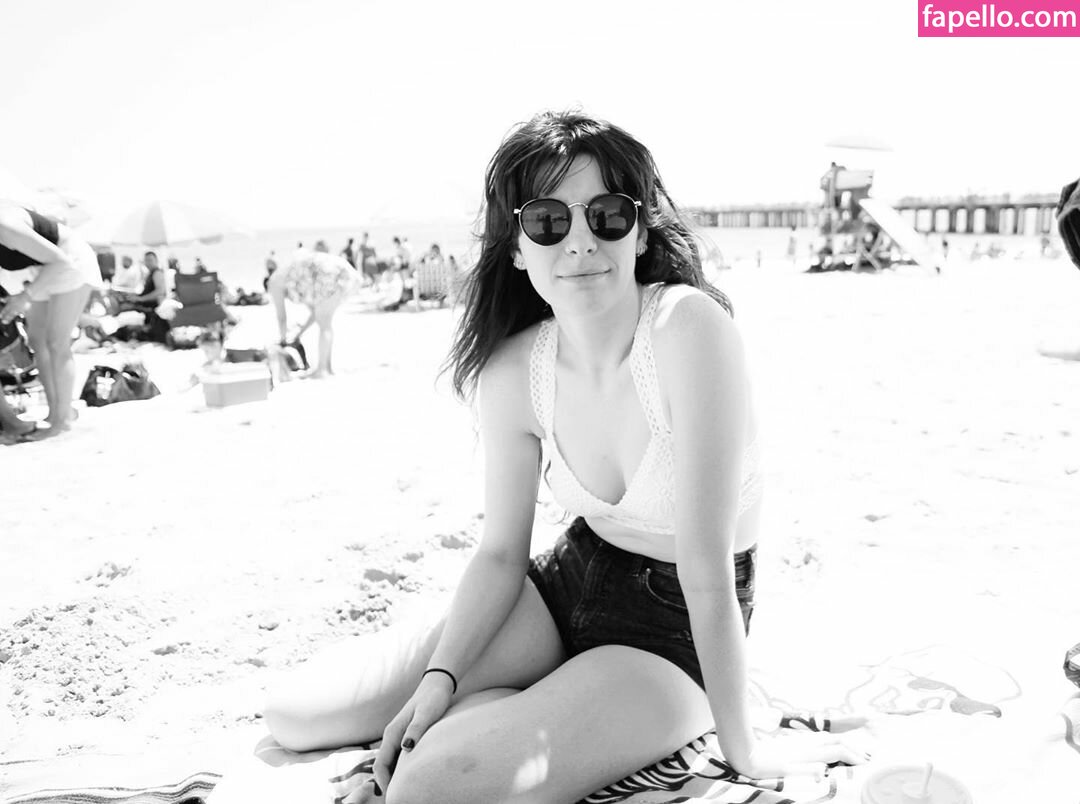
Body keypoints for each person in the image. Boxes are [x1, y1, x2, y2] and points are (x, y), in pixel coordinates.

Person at [262, 111, 866, 801]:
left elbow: (706, 569)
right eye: (549, 220)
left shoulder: (688, 329)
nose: (581, 240)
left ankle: (499, 723)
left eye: (607, 215)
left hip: (673, 634)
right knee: (297, 716)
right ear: (518, 247)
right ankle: (489, 713)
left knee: (428, 790)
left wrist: (743, 749)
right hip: (564, 584)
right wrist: (439, 681)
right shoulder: (514, 368)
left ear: (641, 232)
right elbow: (500, 554)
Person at [0, 203, 104, 436]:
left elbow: (61, 262)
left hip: (69, 260)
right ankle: (56, 411)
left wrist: (25, 296)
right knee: (37, 340)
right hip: (40, 268)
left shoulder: (4, 224)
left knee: (57, 342)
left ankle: (62, 421)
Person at [267, 240, 355, 378]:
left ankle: (322, 370)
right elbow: (314, 313)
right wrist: (300, 333)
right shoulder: (295, 279)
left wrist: (283, 341)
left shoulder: (274, 282)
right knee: (325, 324)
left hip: (326, 276)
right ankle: (327, 368)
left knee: (324, 325)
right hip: (336, 273)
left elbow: (281, 318)